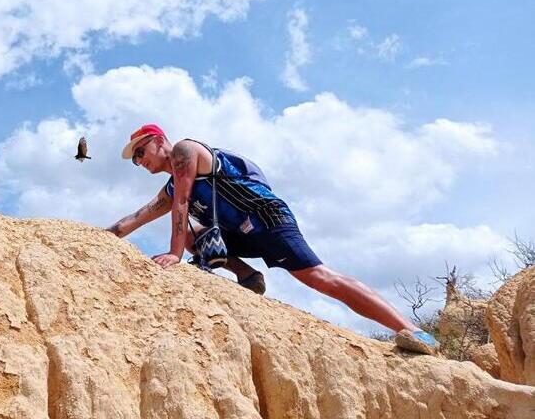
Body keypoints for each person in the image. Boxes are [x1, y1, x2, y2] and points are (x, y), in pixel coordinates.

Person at [106, 123, 440, 355]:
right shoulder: (169, 188)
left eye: (140, 151)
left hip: (266, 217)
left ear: (158, 140)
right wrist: (89, 239)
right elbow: (135, 218)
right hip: (241, 233)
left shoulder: (184, 150)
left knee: (319, 277)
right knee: (194, 233)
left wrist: (173, 255)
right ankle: (247, 275)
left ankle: (409, 329)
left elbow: (181, 202)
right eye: (134, 158)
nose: (139, 161)